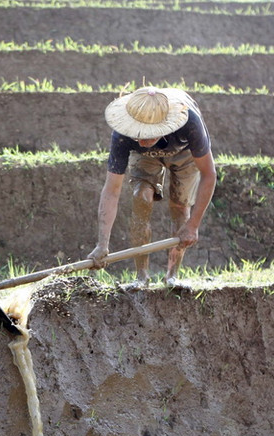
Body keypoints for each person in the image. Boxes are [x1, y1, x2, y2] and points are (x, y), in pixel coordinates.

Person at [87, 86, 217, 288]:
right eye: (139, 134)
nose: (143, 139)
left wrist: (193, 225)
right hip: (145, 158)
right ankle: (142, 277)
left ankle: (172, 276)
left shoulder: (189, 121)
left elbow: (209, 175)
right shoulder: (124, 134)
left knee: (180, 207)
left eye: (149, 134)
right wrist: (102, 243)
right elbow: (112, 190)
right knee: (141, 197)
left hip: (184, 154)